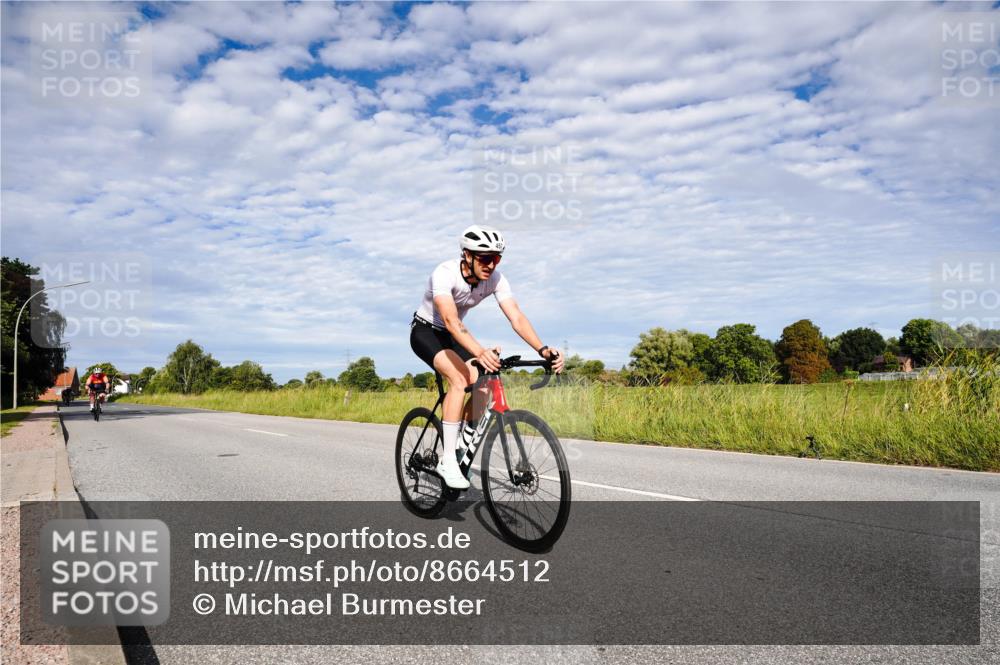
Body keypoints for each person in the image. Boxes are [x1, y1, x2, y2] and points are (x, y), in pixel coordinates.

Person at [410, 225, 564, 489]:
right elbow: (449, 319)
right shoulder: (445, 273)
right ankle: (448, 460)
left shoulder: (496, 279)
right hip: (427, 332)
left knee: (484, 379)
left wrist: (543, 349)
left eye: (496, 258)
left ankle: (462, 441)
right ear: (467, 256)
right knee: (459, 380)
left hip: (455, 335)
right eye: (484, 258)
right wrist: (480, 351)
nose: (491, 265)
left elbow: (516, 316)